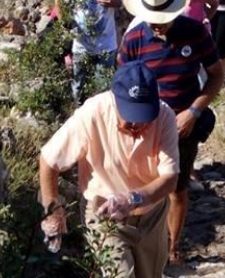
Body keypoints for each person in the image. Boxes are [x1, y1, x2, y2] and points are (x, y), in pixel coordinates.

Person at [119, 0, 225, 267]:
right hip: (145, 125)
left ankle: (173, 246)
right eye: (152, 20)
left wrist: (194, 111)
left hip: (183, 124)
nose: (157, 26)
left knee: (177, 187)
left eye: (161, 20)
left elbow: (216, 74)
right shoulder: (135, 39)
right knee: (144, 186)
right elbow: (122, 82)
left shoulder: (195, 33)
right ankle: (144, 244)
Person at [39, 61, 178, 278]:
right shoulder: (93, 113)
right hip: (104, 214)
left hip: (151, 214)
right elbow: (49, 160)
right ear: (116, 100)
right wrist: (52, 210)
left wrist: (132, 199)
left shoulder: (165, 116)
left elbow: (170, 178)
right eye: (131, 120)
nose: (138, 126)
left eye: (144, 119)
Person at [56, 0, 132, 100]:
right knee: (78, 87)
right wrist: (65, 21)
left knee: (103, 90)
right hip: (81, 44)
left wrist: (116, 2)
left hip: (107, 45)